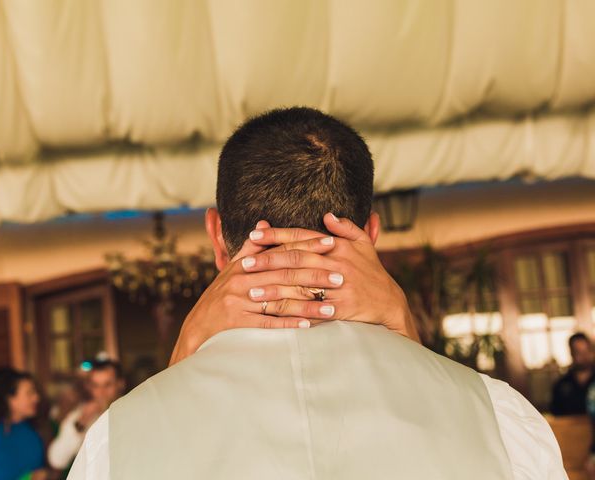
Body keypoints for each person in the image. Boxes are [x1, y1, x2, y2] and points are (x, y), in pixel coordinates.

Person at [69, 107, 566, 479]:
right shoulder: (499, 414)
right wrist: (410, 342)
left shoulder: (117, 438)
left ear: (218, 236)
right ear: (370, 234)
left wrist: (178, 371)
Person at [48, 360, 124, 473]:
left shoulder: (132, 411)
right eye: (96, 386)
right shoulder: (79, 416)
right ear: (89, 388)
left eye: (107, 385)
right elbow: (57, 460)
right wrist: (81, 422)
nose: (101, 392)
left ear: (120, 384)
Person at [551, 333, 595, 416]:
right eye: (578, 352)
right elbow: (556, 415)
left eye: (586, 351)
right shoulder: (561, 385)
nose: (584, 356)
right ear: (571, 353)